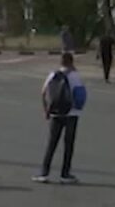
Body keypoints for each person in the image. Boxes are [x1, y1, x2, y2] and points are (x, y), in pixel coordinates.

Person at [33, 52, 87, 184]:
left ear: (61, 62)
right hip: (72, 114)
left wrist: (46, 110)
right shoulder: (76, 76)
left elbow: (43, 92)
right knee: (69, 145)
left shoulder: (53, 74)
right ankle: (65, 174)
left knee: (52, 143)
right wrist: (78, 108)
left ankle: (44, 173)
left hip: (56, 113)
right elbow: (80, 95)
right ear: (72, 62)